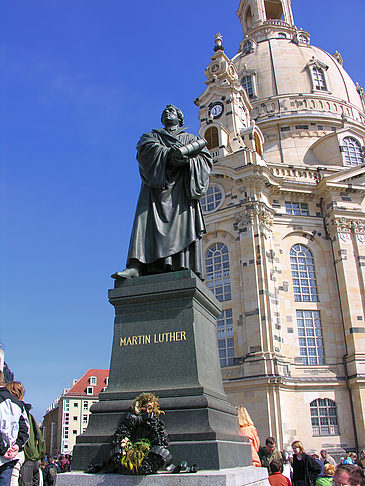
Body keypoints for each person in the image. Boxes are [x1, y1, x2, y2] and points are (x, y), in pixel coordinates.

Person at [112, 104, 212, 280]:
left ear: (180, 118)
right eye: (164, 111)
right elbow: (146, 150)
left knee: (182, 226)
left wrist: (187, 162)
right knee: (143, 223)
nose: (167, 112)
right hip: (156, 188)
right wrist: (167, 155)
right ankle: (136, 266)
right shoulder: (151, 136)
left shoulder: (191, 138)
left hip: (181, 190)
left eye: (171, 110)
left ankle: (180, 264)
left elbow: (205, 161)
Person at [0, 374, 30, 486]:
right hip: (11, 456)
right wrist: (16, 446)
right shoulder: (19, 405)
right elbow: (25, 430)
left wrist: (3, 449)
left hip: (6, 452)